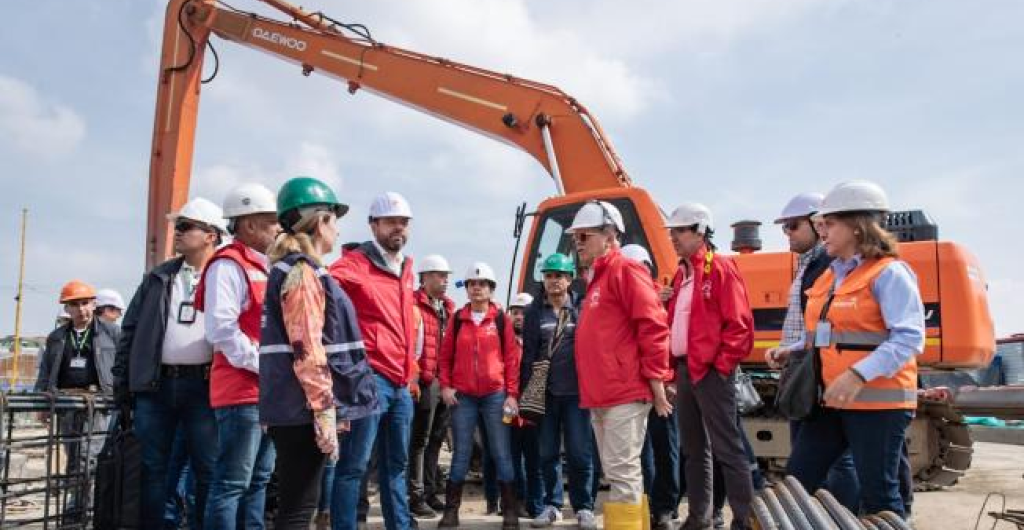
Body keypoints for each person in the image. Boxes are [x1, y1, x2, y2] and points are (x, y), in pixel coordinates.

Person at [787, 181, 924, 519]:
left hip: (878, 404)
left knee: (879, 496)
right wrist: (792, 348)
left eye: (829, 224)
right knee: (796, 482)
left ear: (858, 226)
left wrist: (856, 374)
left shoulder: (889, 273)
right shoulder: (832, 277)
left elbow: (909, 338)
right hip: (832, 400)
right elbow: (827, 333)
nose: (823, 232)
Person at [258, 176, 379, 528]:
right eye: (334, 221)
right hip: (301, 408)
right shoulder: (301, 273)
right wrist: (324, 409)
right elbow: (307, 347)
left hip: (291, 405)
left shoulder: (293, 270)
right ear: (319, 221)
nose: (338, 232)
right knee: (297, 509)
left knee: (296, 504)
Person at [112, 197, 226, 528]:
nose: (177, 232)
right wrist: (124, 388)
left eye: (186, 226)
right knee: (152, 469)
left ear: (211, 235)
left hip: (206, 388)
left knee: (208, 468)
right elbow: (130, 332)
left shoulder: (226, 276)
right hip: (156, 387)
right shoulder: (158, 277)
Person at [568, 200, 672, 530]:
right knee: (620, 474)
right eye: (576, 237)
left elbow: (653, 324)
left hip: (623, 392)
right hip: (603, 394)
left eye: (584, 236)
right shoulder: (597, 279)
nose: (577, 243)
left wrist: (656, 380)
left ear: (609, 235)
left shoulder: (625, 270)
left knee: (622, 475)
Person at [763, 192, 861, 512]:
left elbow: (824, 326)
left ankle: (841, 516)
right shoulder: (808, 264)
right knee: (817, 455)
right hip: (804, 363)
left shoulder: (825, 264)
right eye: (785, 228)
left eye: (793, 226)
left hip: (817, 370)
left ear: (817, 224)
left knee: (837, 460)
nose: (787, 234)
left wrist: (804, 359)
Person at [663, 202, 755, 530]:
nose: (673, 236)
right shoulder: (682, 273)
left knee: (727, 448)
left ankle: (745, 519)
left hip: (711, 372)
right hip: (688, 370)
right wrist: (674, 372)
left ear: (700, 231)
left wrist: (721, 367)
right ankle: (699, 517)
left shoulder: (720, 268)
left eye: (680, 230)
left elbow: (740, 325)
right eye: (672, 231)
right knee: (693, 449)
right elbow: (677, 324)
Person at [330, 191, 418, 530]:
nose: (399, 228)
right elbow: (321, 290)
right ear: (373, 225)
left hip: (399, 382)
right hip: (369, 379)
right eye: (392, 221)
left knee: (397, 465)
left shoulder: (406, 268)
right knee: (354, 465)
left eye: (404, 222)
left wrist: (410, 371)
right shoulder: (353, 264)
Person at [194, 183, 280, 529]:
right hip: (242, 392)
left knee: (258, 481)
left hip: (268, 393)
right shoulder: (227, 266)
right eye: (271, 221)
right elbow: (222, 331)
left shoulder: (266, 266)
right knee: (232, 483)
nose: (278, 228)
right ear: (248, 225)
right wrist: (265, 365)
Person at [438, 262, 522, 530]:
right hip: (463, 397)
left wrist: (512, 394)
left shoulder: (501, 320)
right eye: (473, 284)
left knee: (501, 453)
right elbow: (445, 356)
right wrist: (446, 386)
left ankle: (509, 512)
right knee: (461, 453)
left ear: (491, 289)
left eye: (483, 284)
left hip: (495, 396)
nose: (477, 288)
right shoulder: (457, 319)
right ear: (468, 289)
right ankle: (451, 513)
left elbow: (511, 358)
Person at [522, 253, 597, 530]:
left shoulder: (582, 308)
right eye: (549, 275)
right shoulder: (534, 313)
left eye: (559, 275)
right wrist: (526, 394)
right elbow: (528, 356)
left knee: (579, 452)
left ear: (570, 279)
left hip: (577, 394)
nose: (554, 281)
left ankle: (584, 507)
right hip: (546, 396)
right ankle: (552, 506)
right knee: (547, 453)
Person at [36, 280, 119, 523]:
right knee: (74, 458)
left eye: (85, 303)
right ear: (67, 308)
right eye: (75, 305)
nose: (81, 309)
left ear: (94, 304)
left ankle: (83, 511)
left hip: (99, 404)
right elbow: (46, 370)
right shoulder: (57, 337)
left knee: (90, 456)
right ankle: (77, 512)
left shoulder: (111, 333)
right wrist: (43, 402)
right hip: (67, 404)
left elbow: (123, 366)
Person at [408, 254, 457, 517]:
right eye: (439, 275)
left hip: (444, 383)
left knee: (436, 440)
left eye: (446, 275)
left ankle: (429, 492)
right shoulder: (413, 306)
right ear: (424, 278)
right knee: (419, 441)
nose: (445, 280)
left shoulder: (448, 309)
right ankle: (414, 496)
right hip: (424, 383)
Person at [507, 292, 545, 520]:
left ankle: (537, 504)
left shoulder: (541, 340)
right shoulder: (504, 341)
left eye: (524, 312)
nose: (519, 317)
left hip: (534, 407)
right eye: (515, 312)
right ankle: (517, 502)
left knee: (536, 459)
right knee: (512, 457)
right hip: (510, 408)